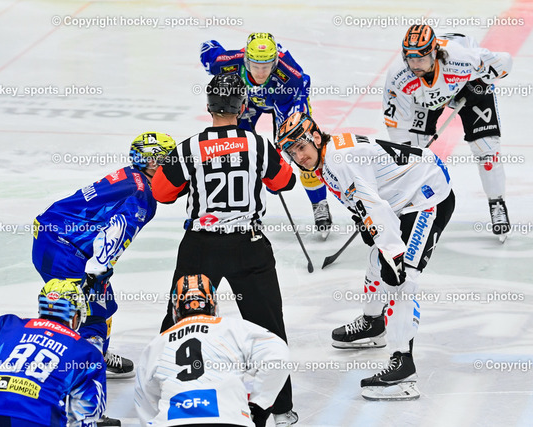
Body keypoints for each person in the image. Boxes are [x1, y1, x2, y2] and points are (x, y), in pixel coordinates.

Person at [276, 112, 455, 400]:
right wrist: (365, 222)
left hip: (425, 196)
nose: (299, 156)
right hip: (403, 195)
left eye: (301, 146)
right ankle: (374, 324)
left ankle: (404, 369)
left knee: (401, 277)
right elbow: (366, 196)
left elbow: (374, 206)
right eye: (292, 152)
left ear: (316, 138)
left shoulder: (339, 159)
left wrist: (394, 252)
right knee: (377, 261)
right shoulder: (326, 157)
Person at [152, 73, 298, 426]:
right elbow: (285, 181)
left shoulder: (188, 148)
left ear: (209, 106)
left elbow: (161, 192)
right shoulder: (258, 144)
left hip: (201, 246)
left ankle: (165, 393)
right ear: (242, 106)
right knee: (269, 327)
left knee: (179, 320)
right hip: (249, 245)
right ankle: (280, 408)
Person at [32, 132, 176, 381]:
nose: (172, 165)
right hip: (63, 249)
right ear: (152, 162)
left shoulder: (132, 177)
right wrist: (98, 272)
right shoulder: (142, 195)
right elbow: (114, 234)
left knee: (101, 305)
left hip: (56, 240)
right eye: (168, 159)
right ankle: (77, 371)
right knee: (87, 312)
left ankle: (94, 354)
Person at [383, 24, 512, 241]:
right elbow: (396, 121)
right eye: (410, 58)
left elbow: (505, 62)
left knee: (486, 149)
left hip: (467, 85)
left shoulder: (460, 58)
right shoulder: (399, 75)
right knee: (416, 152)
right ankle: (415, 204)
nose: (415, 65)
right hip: (426, 98)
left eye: (421, 59)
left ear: (434, 53)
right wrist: (406, 153)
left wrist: (480, 83)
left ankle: (497, 202)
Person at [201, 32, 332, 238]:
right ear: (246, 60)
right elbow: (208, 50)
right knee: (238, 150)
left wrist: (276, 161)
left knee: (301, 146)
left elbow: (284, 128)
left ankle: (319, 203)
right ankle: (246, 210)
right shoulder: (228, 63)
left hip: (287, 99)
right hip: (248, 102)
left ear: (275, 63)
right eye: (256, 66)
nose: (261, 72)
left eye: (266, 66)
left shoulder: (289, 78)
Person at [0, 279, 107, 426]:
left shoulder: (9, 326)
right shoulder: (88, 353)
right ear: (76, 315)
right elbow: (84, 415)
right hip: (38, 419)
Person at [134, 274, 290, 427]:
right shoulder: (233, 328)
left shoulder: (157, 343)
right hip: (231, 421)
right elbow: (278, 357)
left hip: (172, 423)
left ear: (176, 309)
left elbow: (144, 397)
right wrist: (260, 406)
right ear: (213, 304)